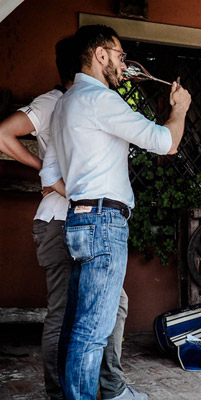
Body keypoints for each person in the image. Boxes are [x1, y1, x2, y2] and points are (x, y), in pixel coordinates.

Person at [40, 24, 191, 400]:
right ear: (100, 54)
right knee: (93, 331)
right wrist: (180, 110)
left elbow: (50, 174)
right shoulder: (101, 99)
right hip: (103, 222)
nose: (124, 64)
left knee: (78, 326)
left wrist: (82, 195)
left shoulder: (64, 104)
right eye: (121, 56)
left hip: (77, 220)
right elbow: (164, 143)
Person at [0, 36, 144, 400]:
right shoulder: (56, 102)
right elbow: (2, 134)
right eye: (113, 55)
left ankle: (109, 387)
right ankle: (63, 392)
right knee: (66, 314)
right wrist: (47, 175)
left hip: (83, 220)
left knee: (113, 306)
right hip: (62, 218)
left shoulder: (84, 101)